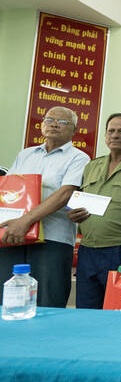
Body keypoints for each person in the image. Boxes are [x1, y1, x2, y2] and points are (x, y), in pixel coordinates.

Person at [0, 106, 90, 307]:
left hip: (52, 237)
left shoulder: (79, 158)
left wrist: (25, 221)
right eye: (49, 120)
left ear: (74, 130)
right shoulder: (26, 154)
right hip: (14, 235)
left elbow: (64, 194)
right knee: (9, 297)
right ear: (42, 125)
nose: (54, 124)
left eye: (62, 122)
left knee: (48, 298)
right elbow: (9, 190)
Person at [67, 113, 121, 309]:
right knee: (87, 310)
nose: (115, 135)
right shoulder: (92, 166)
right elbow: (79, 200)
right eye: (111, 131)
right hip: (88, 249)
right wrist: (73, 214)